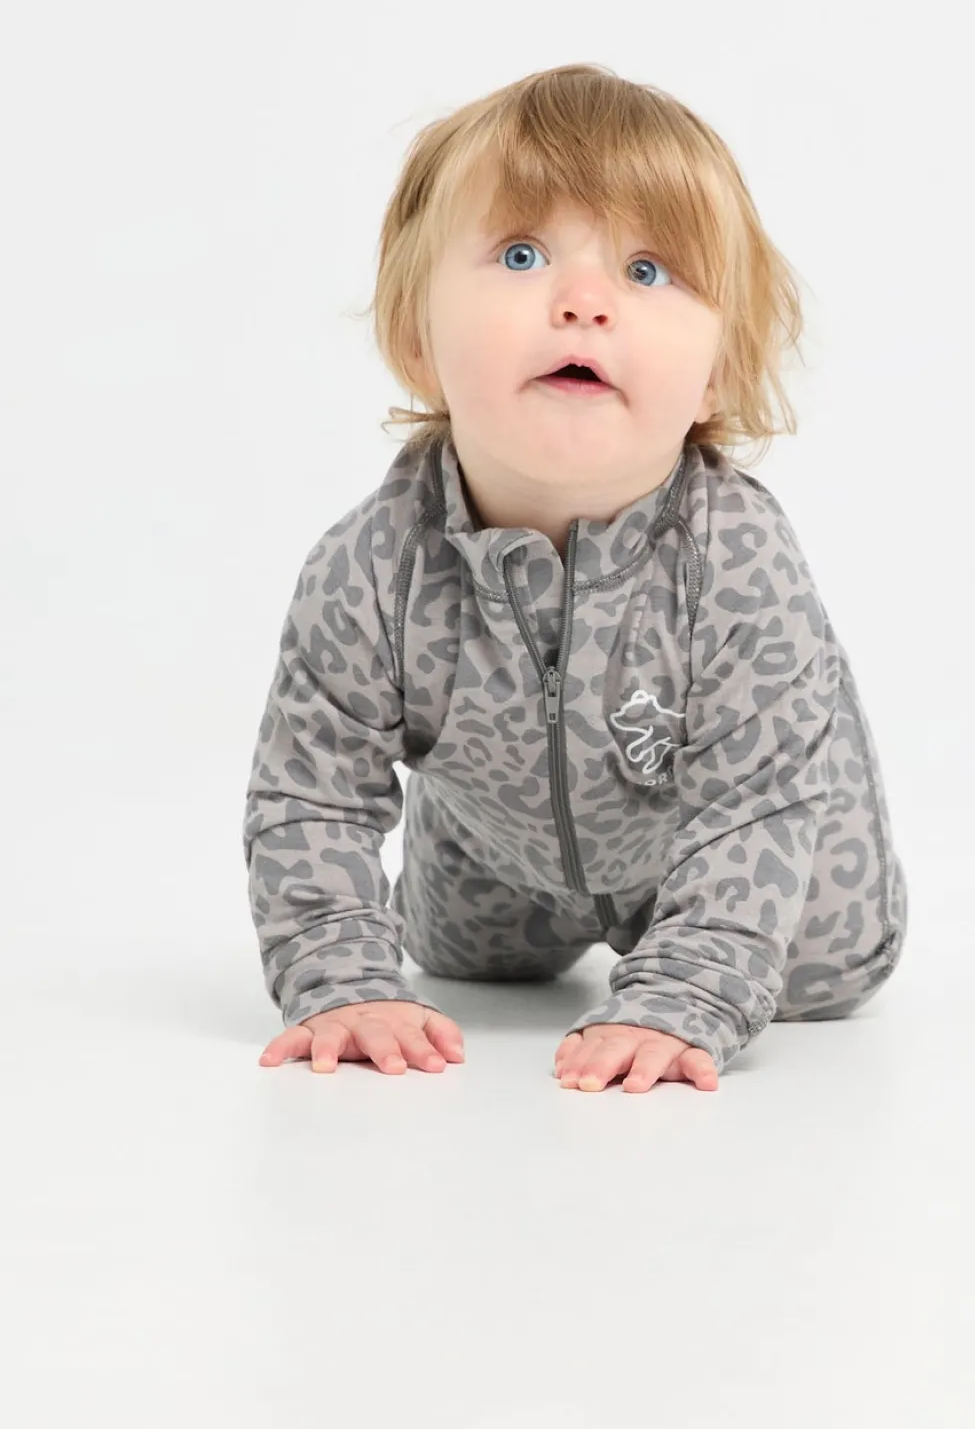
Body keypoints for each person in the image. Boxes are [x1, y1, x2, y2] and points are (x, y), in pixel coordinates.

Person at [246, 62, 909, 1094]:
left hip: (768, 862)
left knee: (823, 969)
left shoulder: (736, 561)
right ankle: (509, 910)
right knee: (460, 957)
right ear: (417, 337)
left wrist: (682, 995)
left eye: (648, 271)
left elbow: (757, 806)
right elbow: (310, 793)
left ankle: (712, 954)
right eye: (521, 254)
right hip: (496, 858)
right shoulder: (370, 566)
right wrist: (341, 981)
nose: (584, 304)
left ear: (717, 372)